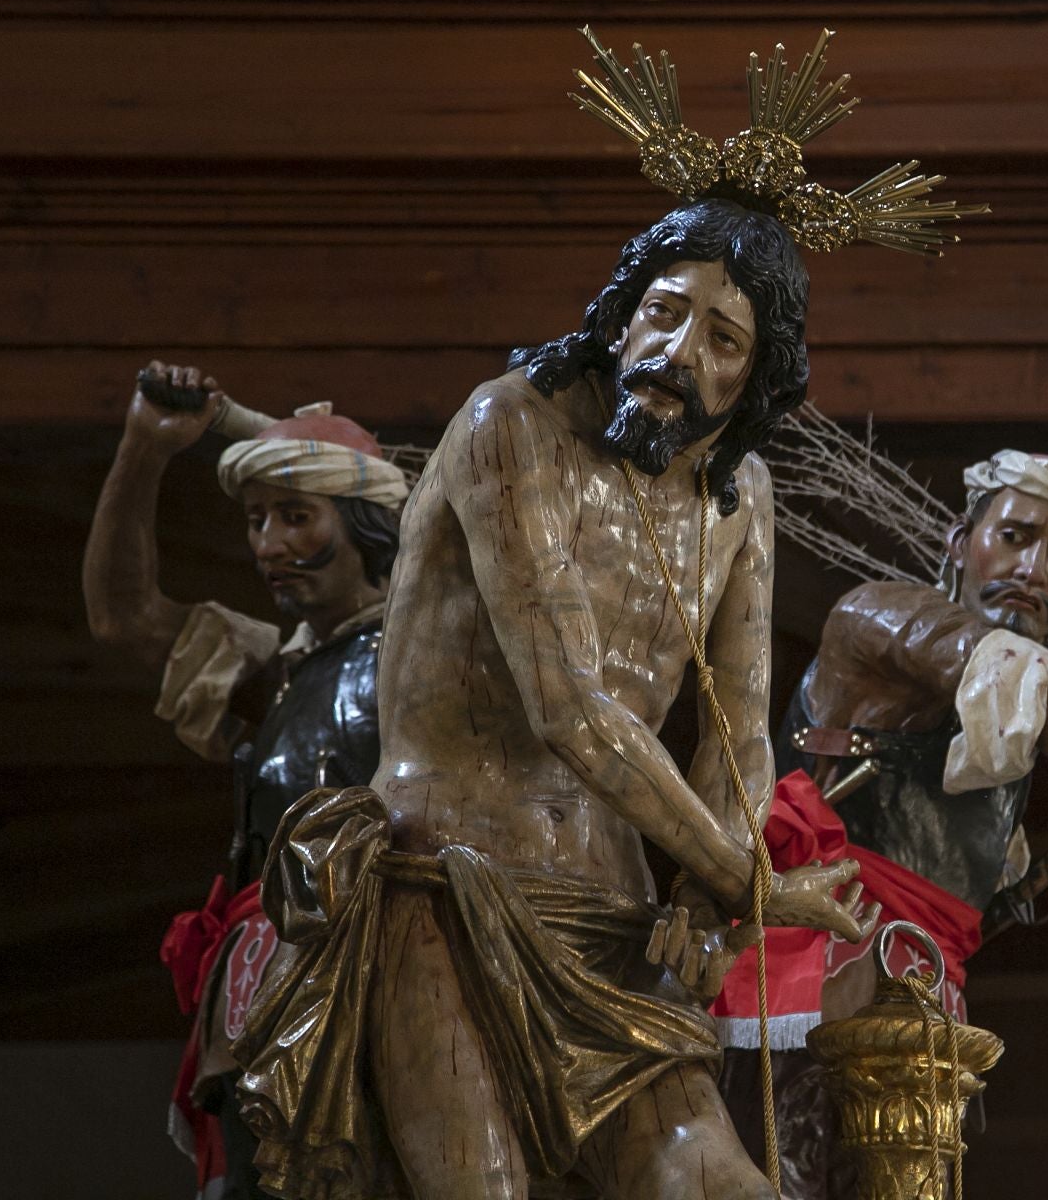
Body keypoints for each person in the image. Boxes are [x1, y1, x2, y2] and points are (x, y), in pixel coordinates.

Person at [232, 199, 874, 1200]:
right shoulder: (512, 423)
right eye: (664, 310)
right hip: (444, 882)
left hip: (614, 921)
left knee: (720, 1184)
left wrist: (711, 908)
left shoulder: (740, 495)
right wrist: (748, 881)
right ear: (621, 309)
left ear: (754, 376)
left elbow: (739, 730)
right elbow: (566, 703)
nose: (675, 349)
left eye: (722, 337)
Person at [714, 449, 1048, 1198]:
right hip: (817, 982)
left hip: (919, 1000)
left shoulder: (1009, 705)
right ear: (962, 543)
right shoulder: (882, 618)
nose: (1033, 566)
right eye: (1016, 536)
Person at [83, 363, 407, 1200]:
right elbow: (123, 614)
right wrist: (143, 448)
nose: (268, 545)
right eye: (258, 520)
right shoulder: (276, 671)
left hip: (387, 984)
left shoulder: (422, 662)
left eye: (297, 516)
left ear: (367, 521)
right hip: (259, 997)